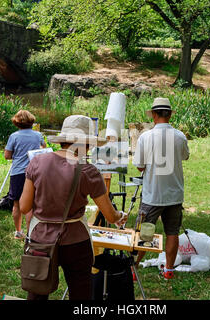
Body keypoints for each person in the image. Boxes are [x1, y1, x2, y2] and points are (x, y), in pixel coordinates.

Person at [19, 115, 127, 300]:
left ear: (63, 141)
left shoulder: (37, 162)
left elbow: (23, 206)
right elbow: (109, 215)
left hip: (41, 238)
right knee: (80, 294)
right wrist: (119, 216)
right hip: (76, 242)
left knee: (37, 292)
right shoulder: (88, 171)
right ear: (85, 144)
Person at [132, 97, 190, 280]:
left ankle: (133, 269)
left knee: (143, 233)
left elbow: (140, 166)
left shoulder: (145, 137)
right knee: (172, 232)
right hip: (174, 192)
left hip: (152, 194)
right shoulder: (180, 136)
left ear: (154, 115)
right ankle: (169, 270)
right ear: (170, 115)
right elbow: (185, 156)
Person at [5, 110, 46, 240]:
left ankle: (18, 232)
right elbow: (44, 149)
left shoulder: (14, 136)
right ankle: (30, 234)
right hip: (35, 172)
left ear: (16, 123)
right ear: (31, 122)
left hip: (18, 173)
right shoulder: (38, 135)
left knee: (17, 203)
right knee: (31, 204)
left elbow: (7, 155)